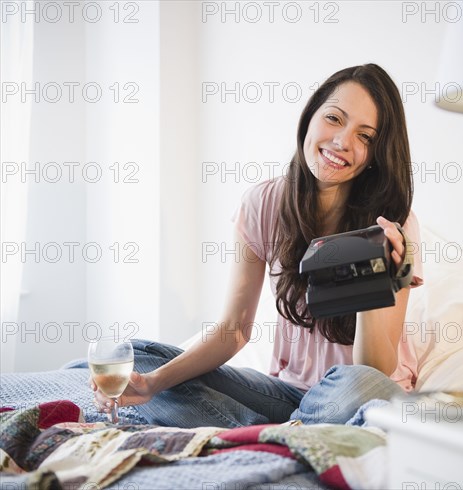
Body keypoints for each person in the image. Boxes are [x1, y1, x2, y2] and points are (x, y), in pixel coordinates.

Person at [91, 63, 424, 428]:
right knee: (142, 359)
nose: (343, 141)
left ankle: (262, 430)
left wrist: (374, 278)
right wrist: (153, 384)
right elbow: (234, 328)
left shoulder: (394, 225)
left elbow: (373, 369)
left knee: (362, 387)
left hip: (353, 394)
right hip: (285, 394)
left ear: (377, 153)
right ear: (310, 116)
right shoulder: (263, 203)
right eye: (334, 118)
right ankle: (288, 433)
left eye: (366, 137)